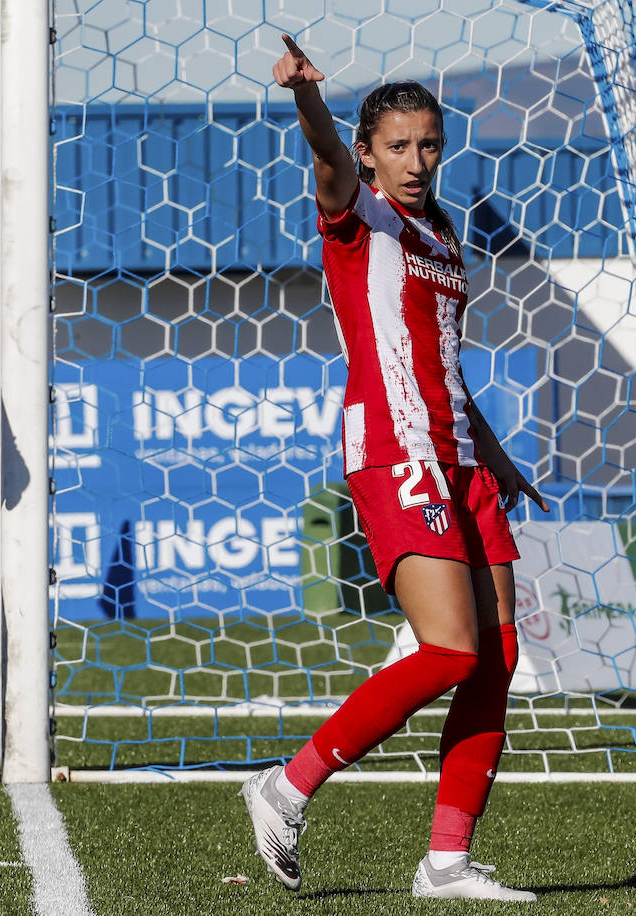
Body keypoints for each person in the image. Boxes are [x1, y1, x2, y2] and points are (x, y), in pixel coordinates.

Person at [242, 37, 550, 901]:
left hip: (460, 457)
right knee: (449, 650)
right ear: (371, 150)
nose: (415, 162)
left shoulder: (443, 235)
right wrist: (311, 98)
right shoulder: (358, 216)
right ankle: (287, 785)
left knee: (495, 656)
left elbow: (445, 358)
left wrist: (493, 457)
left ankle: (446, 863)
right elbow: (327, 158)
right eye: (398, 146)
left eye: (429, 145)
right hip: (395, 446)